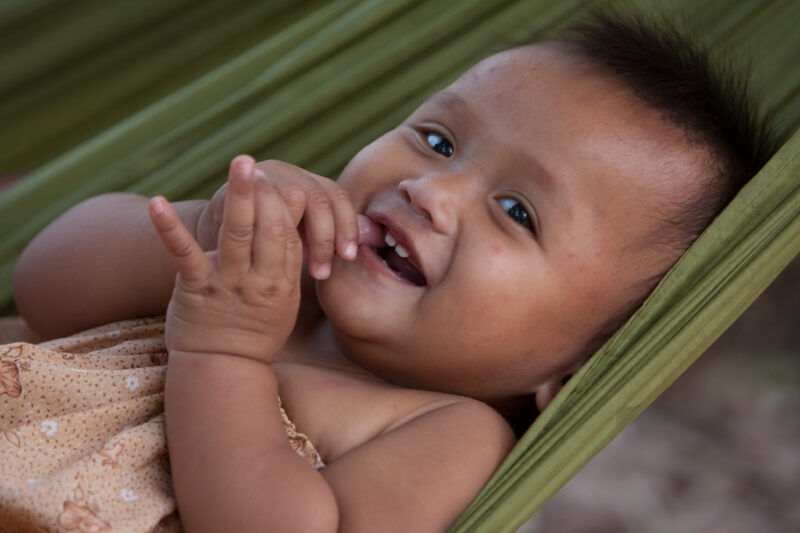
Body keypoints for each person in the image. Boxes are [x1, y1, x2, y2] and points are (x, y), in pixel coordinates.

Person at [3, 10, 775, 533]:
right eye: (439, 140)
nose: (430, 191)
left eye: (517, 212)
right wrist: (210, 227)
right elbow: (41, 285)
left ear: (577, 370)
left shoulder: (446, 433)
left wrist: (222, 357)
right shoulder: (269, 270)